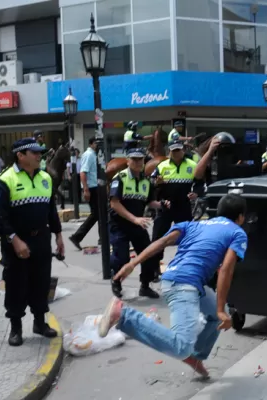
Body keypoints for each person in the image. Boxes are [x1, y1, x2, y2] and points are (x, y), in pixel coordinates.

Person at [97, 194, 248, 378]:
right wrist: (220, 310)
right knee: (180, 346)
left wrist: (132, 264)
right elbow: (226, 270)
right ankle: (124, 316)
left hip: (176, 278)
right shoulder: (237, 233)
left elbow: (161, 242)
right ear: (240, 217)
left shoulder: (194, 224)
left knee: (216, 316)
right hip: (185, 286)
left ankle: (195, 357)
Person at [0, 138, 65, 346]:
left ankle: (40, 323)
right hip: (16, 243)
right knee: (16, 284)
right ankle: (16, 328)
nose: (39, 156)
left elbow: (51, 210)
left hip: (41, 239)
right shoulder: (5, 180)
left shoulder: (45, 178)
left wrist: (58, 236)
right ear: (20, 155)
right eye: (34, 153)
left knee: (41, 283)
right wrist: (14, 240)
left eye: (40, 152)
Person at [109, 148, 164, 299]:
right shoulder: (120, 178)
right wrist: (134, 219)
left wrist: (161, 204)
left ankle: (145, 286)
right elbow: (114, 204)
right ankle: (116, 281)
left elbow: (149, 201)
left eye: (140, 159)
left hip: (137, 224)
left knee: (148, 254)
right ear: (128, 161)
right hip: (119, 224)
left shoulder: (146, 181)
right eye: (134, 159)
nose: (138, 162)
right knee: (122, 258)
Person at [150, 138, 215, 267]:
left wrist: (196, 192)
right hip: (165, 206)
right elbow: (151, 182)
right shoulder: (162, 166)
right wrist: (156, 183)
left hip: (183, 207)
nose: (176, 153)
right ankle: (154, 266)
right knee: (158, 237)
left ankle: (185, 263)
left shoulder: (192, 165)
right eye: (173, 150)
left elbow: (200, 183)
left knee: (187, 237)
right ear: (169, 151)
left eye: (178, 150)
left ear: (183, 150)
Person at [69, 138, 99, 250]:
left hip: (95, 187)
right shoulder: (89, 155)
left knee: (101, 214)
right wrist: (86, 189)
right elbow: (83, 172)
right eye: (96, 143)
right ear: (91, 144)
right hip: (91, 187)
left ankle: (103, 239)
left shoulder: (94, 155)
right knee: (96, 214)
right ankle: (77, 236)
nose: (97, 145)